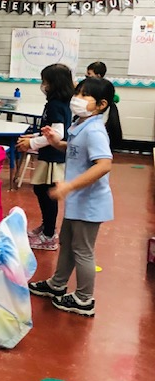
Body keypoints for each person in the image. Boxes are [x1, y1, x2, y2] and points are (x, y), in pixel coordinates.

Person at [28, 77, 122, 316]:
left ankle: (84, 299)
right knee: (67, 244)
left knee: (83, 251)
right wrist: (56, 142)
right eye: (77, 93)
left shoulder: (95, 131)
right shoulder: (81, 124)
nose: (76, 99)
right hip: (78, 202)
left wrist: (69, 186)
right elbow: (74, 149)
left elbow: (103, 165)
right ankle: (57, 284)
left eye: (84, 95)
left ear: (101, 104)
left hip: (89, 203)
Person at [16, 63, 73, 251]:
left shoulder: (57, 104)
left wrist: (31, 144)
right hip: (49, 154)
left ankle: (48, 235)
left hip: (53, 158)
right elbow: (49, 131)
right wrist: (32, 137)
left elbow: (57, 134)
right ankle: (47, 228)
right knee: (41, 191)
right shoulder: (56, 103)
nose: (43, 85)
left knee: (47, 193)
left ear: (54, 84)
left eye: (45, 82)